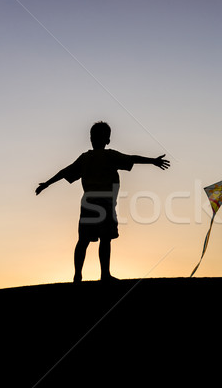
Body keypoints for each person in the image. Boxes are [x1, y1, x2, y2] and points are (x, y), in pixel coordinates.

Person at [35, 121, 170, 283]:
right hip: (105, 203)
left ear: (91, 139)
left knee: (83, 240)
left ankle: (77, 275)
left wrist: (47, 184)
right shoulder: (110, 155)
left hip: (88, 203)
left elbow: (65, 171)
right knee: (105, 238)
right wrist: (153, 161)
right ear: (108, 140)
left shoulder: (85, 158)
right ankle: (104, 274)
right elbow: (132, 158)